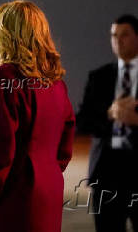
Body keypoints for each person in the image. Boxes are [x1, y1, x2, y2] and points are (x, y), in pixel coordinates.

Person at [0, 0, 75, 232]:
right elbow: (65, 145)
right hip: (49, 195)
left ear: (7, 35)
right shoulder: (56, 84)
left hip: (12, 199)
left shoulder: (5, 77)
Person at [77, 14, 138, 231]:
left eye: (124, 35)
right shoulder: (99, 77)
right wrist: (110, 115)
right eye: (114, 36)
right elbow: (82, 122)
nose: (118, 41)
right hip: (107, 176)